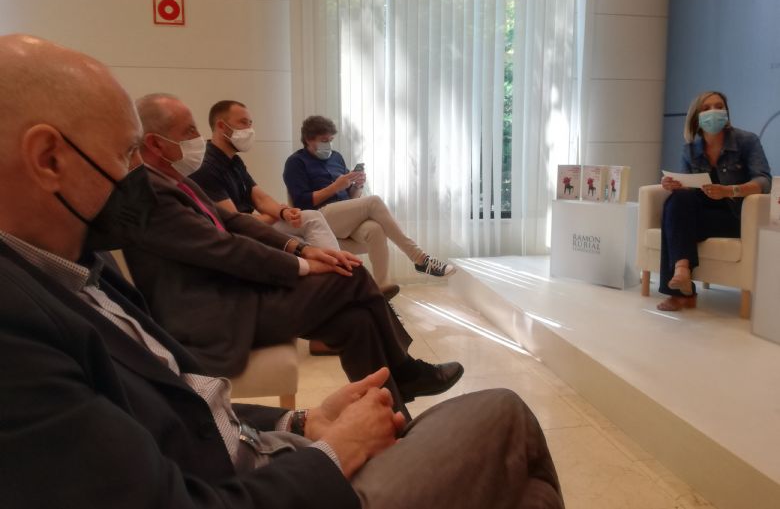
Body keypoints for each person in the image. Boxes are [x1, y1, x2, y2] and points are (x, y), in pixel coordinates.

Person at [0, 34, 565, 509]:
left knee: (516, 483)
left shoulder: (80, 266)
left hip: (260, 451)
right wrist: (336, 452)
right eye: (125, 154)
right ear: (49, 158)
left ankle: (398, 398)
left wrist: (299, 422)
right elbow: (223, 250)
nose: (135, 171)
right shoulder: (18, 332)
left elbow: (184, 403)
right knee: (504, 417)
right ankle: (403, 377)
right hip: (250, 412)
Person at [130, 93, 462, 414]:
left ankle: (392, 419)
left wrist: (301, 247)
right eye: (189, 131)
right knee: (352, 274)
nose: (197, 138)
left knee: (357, 322)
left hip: (235, 291)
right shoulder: (152, 195)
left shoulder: (177, 181)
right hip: (214, 314)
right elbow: (225, 246)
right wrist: (302, 263)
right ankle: (405, 370)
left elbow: (233, 221)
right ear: (156, 144)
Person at [283, 115, 455, 288]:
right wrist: (335, 187)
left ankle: (382, 289)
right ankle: (420, 259)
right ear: (308, 139)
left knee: (375, 230)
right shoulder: (296, 162)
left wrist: (357, 185)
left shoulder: (336, 157)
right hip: (318, 217)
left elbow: (351, 199)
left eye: (330, 140)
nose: (328, 144)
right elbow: (302, 202)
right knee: (373, 201)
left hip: (341, 219)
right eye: (323, 140)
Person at [657, 90, 771, 311]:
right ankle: (682, 272)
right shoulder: (690, 149)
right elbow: (687, 188)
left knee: (672, 218)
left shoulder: (747, 141)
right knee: (675, 202)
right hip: (702, 216)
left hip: (736, 217)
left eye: (719, 106)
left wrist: (729, 191)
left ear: (726, 112)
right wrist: (673, 184)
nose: (714, 111)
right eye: (707, 108)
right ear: (697, 117)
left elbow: (764, 180)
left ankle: (681, 292)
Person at [189, 99, 341, 251]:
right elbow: (235, 222)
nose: (250, 129)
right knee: (302, 239)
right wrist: (276, 215)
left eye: (250, 123)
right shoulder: (206, 166)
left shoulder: (234, 160)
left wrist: (284, 212)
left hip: (253, 223)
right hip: (237, 235)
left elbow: (261, 199)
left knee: (313, 218)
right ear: (221, 126)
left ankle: (338, 263)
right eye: (243, 123)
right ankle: (335, 263)